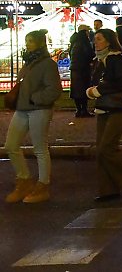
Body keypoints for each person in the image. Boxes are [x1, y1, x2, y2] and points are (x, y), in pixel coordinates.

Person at [4, 29, 62, 204]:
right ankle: (24, 179)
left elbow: (54, 89)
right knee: (11, 145)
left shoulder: (47, 64)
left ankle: (42, 184)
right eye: (26, 40)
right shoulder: (28, 62)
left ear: (40, 43)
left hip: (39, 109)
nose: (27, 44)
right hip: (22, 108)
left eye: (30, 41)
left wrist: (34, 98)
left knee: (39, 148)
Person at [86, 28, 122, 202]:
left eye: (99, 39)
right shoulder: (99, 61)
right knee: (101, 149)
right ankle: (107, 189)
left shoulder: (116, 59)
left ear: (109, 41)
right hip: (103, 107)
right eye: (95, 39)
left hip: (118, 107)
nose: (96, 42)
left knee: (106, 147)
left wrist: (97, 91)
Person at [69, 24, 95, 118]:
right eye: (88, 30)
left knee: (76, 90)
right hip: (83, 68)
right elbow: (89, 54)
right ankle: (83, 110)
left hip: (74, 68)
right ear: (85, 31)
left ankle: (78, 110)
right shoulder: (84, 41)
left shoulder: (74, 41)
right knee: (84, 89)